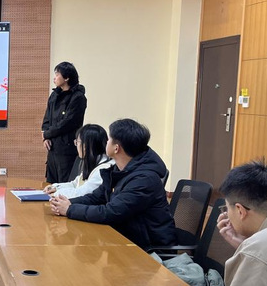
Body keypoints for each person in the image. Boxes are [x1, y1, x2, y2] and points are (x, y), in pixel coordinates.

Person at [49, 118, 176, 251]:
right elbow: (96, 197)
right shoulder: (119, 171)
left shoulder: (144, 179)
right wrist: (66, 203)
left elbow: (111, 213)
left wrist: (70, 209)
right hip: (127, 240)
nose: (105, 142)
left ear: (116, 148)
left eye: (109, 139)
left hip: (148, 249)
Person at [42, 62, 87, 183]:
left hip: (67, 149)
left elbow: (68, 122)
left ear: (66, 78)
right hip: (52, 148)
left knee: (64, 183)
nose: (54, 78)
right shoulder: (54, 95)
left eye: (57, 75)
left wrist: (47, 133)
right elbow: (47, 118)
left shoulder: (78, 97)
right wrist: (45, 137)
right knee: (50, 184)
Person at [43, 124, 113, 199]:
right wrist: (56, 187)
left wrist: (56, 193)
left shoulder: (103, 169)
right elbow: (76, 183)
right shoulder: (94, 162)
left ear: (85, 145)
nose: (76, 145)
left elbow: (81, 193)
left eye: (77, 142)